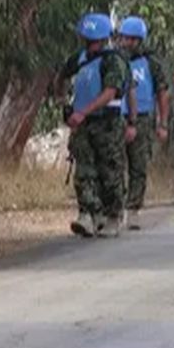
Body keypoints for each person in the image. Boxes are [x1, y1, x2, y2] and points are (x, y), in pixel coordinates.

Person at [54, 13, 129, 238]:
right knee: (84, 171)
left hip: (107, 122)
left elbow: (110, 92)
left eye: (95, 40)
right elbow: (61, 76)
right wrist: (63, 101)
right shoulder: (78, 59)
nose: (91, 44)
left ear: (105, 39)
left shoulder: (114, 60)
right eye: (88, 40)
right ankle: (87, 214)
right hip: (83, 124)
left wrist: (83, 111)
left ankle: (113, 216)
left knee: (110, 171)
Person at [116, 16, 170, 231]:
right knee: (114, 165)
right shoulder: (114, 60)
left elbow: (162, 93)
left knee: (138, 166)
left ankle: (133, 209)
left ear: (140, 41)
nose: (126, 43)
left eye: (131, 39)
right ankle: (115, 208)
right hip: (116, 118)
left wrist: (162, 123)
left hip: (144, 119)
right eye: (124, 38)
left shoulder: (151, 63)